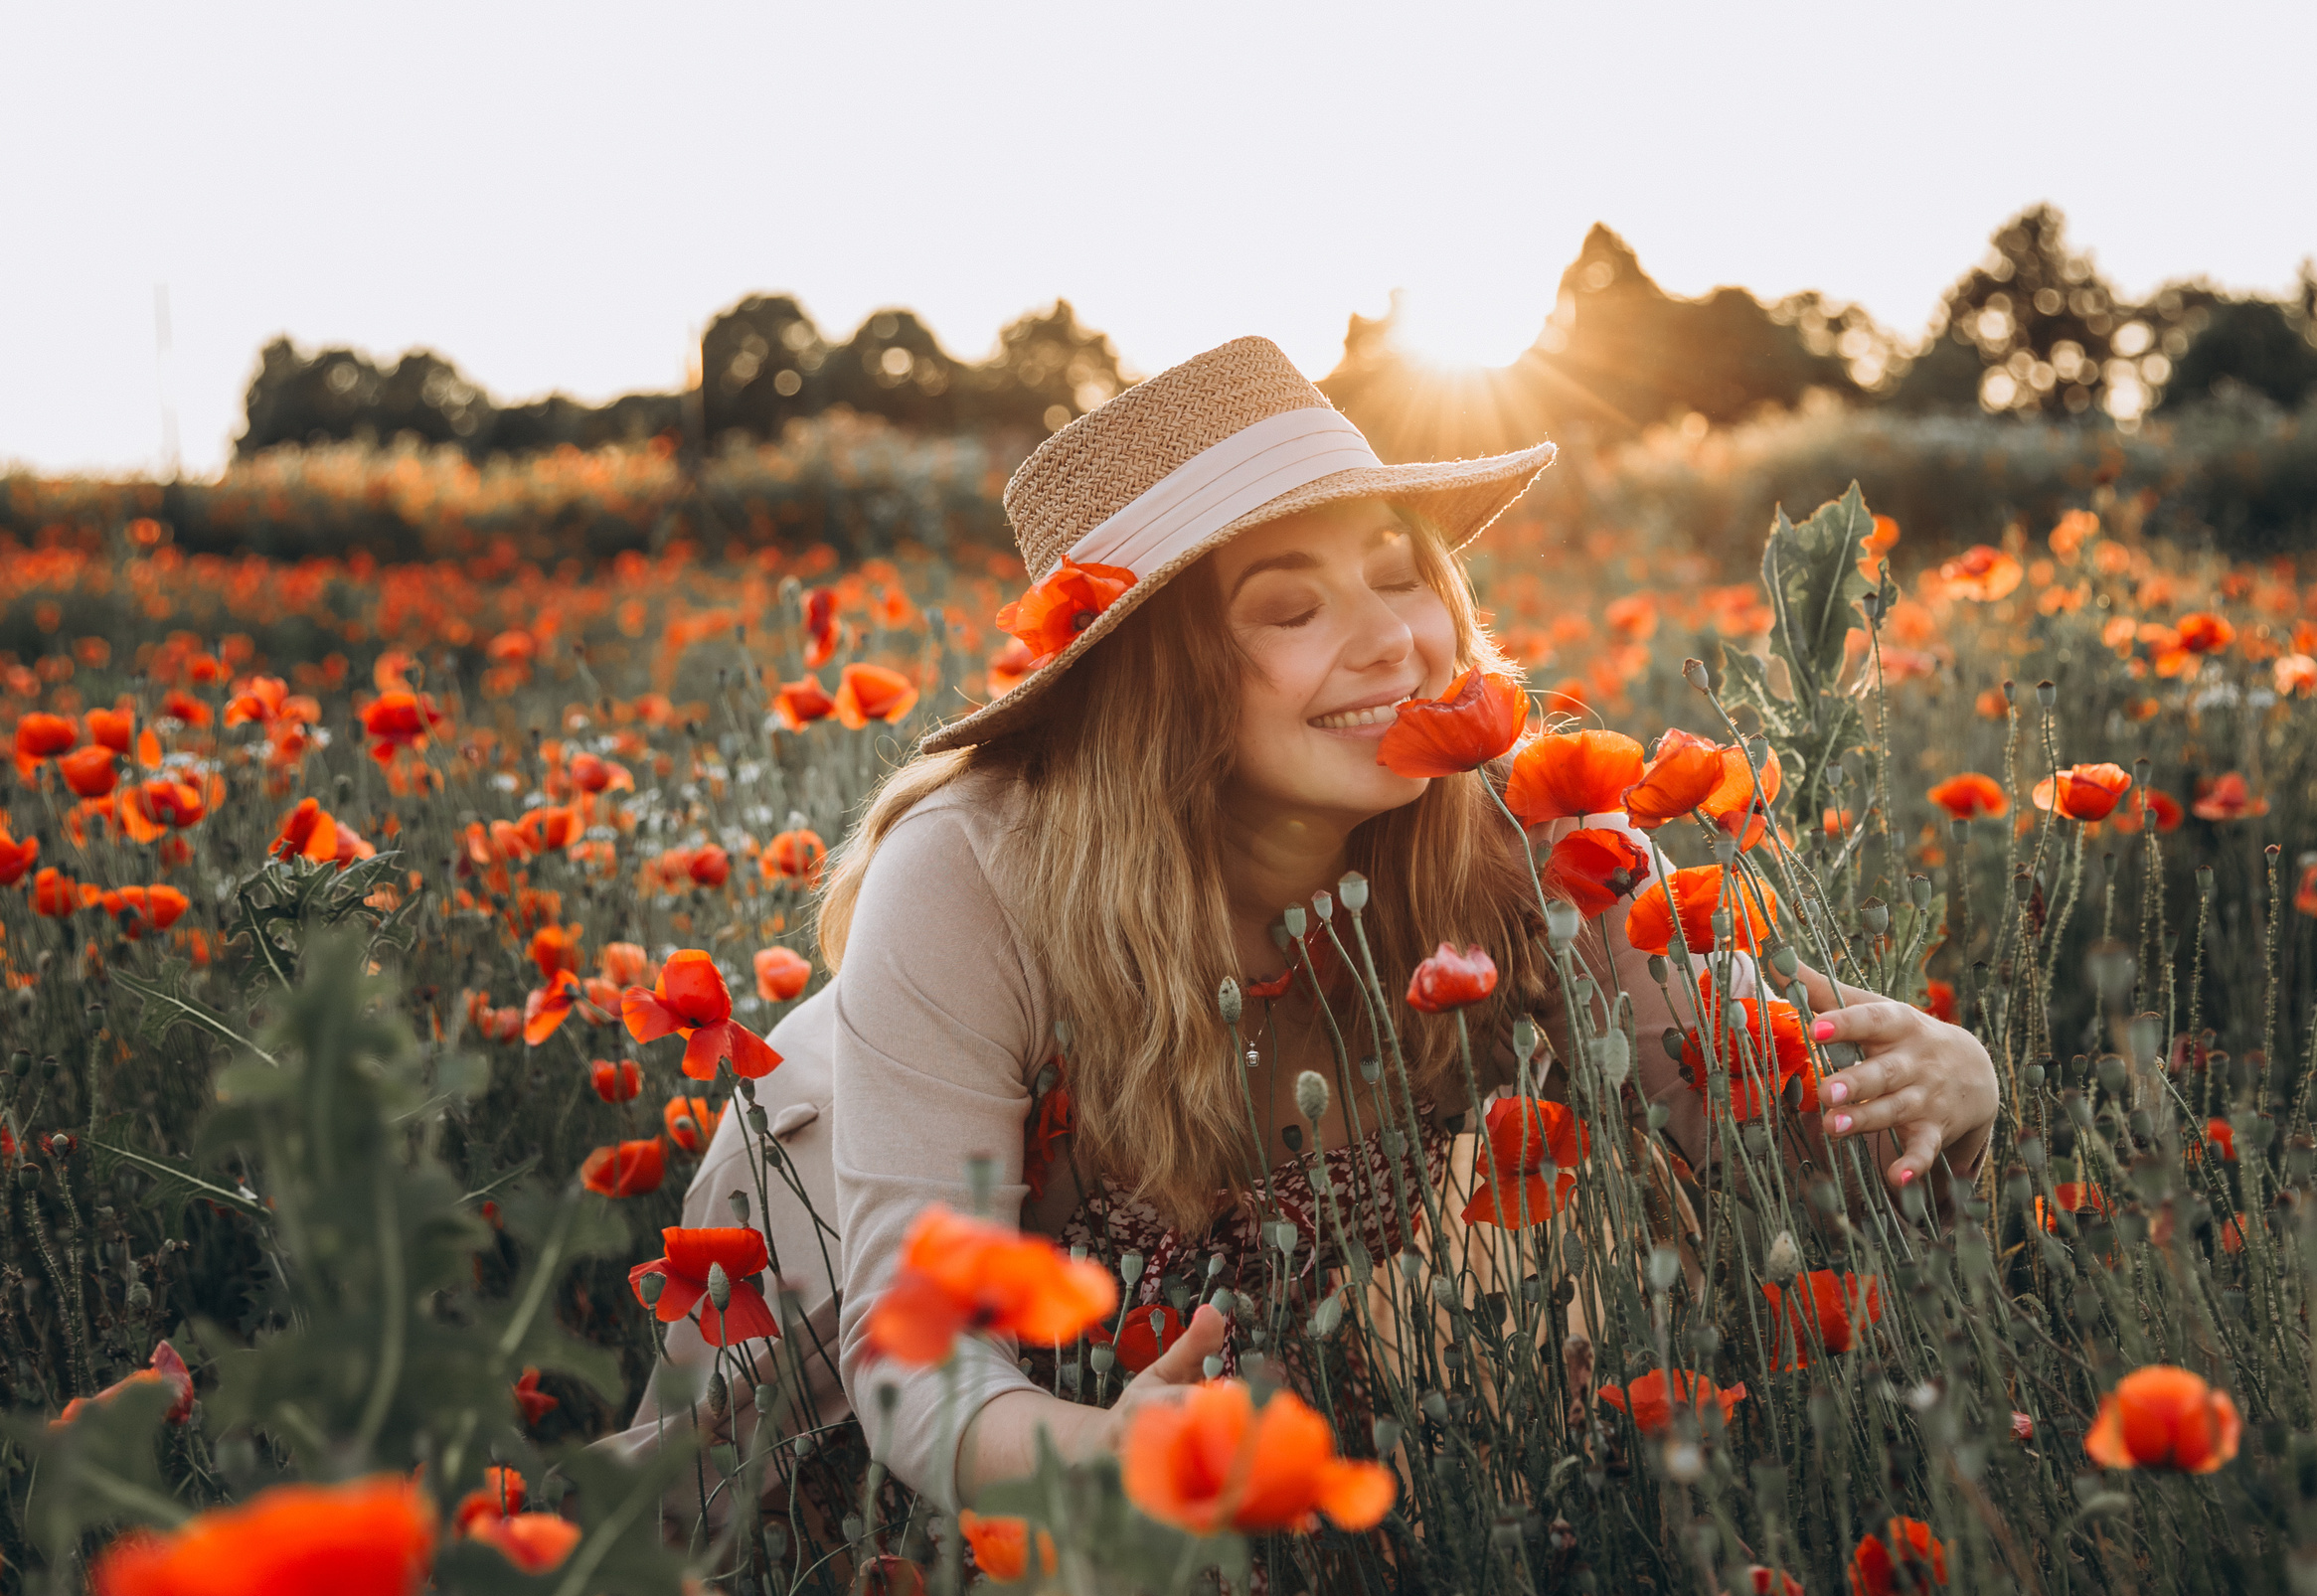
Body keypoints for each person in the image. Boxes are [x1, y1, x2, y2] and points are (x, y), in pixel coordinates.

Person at [609, 337, 1999, 1516]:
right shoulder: (975, 869)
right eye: (1291, 606)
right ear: (1153, 678)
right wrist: (1100, 1454)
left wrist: (1951, 1094)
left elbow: (1780, 1153)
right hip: (854, 1270)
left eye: (1403, 574)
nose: (1393, 640)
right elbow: (918, 1362)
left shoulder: (1531, 837)